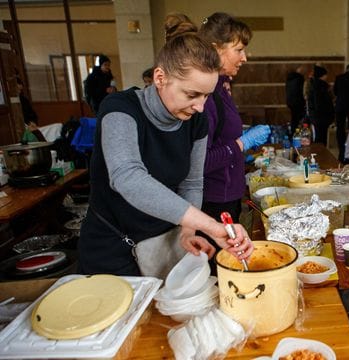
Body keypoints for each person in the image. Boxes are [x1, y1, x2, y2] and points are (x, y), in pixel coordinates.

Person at [78, 14, 253, 276]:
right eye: (192, 94)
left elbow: (192, 183)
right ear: (160, 77)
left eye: (206, 95)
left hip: (161, 245)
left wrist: (187, 231)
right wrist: (208, 224)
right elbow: (127, 177)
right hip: (112, 247)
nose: (200, 106)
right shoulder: (120, 109)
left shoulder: (197, 119)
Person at [198, 12, 270, 224]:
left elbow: (221, 136)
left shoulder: (221, 88)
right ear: (215, 49)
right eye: (238, 50)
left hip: (229, 192)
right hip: (215, 199)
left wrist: (240, 151)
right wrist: (241, 144)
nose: (244, 57)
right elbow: (200, 162)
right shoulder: (206, 96)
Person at [307, 65, 334, 145]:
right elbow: (319, 103)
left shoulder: (316, 85)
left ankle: (320, 154)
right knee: (320, 139)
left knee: (320, 137)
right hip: (320, 117)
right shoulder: (319, 87)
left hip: (318, 117)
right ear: (322, 75)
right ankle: (319, 155)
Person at [285, 65, 307, 135]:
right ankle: (297, 133)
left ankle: (293, 133)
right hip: (298, 102)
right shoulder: (300, 79)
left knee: (294, 119)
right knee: (298, 119)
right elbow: (301, 92)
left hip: (290, 102)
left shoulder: (289, 79)